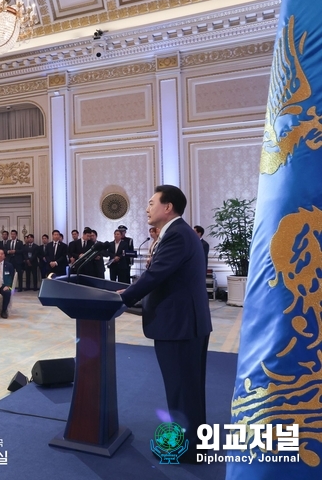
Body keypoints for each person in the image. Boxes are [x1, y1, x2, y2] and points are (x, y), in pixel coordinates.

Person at [118, 185, 212, 464]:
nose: (147, 208)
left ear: (167, 207)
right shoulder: (175, 233)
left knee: (183, 388)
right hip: (183, 323)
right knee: (185, 389)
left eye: (151, 203)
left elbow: (156, 275)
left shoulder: (178, 235)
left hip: (180, 325)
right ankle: (194, 445)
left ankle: (190, 450)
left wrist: (123, 296)